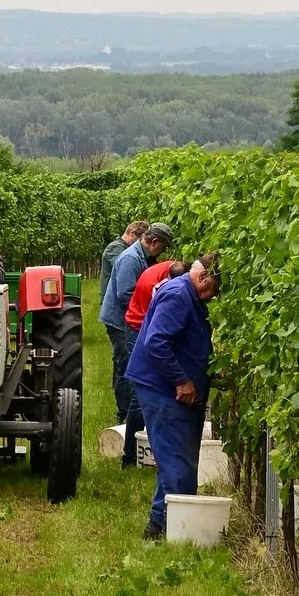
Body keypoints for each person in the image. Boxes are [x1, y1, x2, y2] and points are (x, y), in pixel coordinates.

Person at [124, 253, 222, 540]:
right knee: (176, 462)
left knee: (177, 460)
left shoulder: (187, 294)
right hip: (162, 389)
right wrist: (182, 380)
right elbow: (156, 342)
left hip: (168, 389)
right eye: (215, 288)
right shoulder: (179, 295)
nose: (214, 296)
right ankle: (170, 531)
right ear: (204, 277)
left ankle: (163, 525)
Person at [99, 222, 173, 428]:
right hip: (119, 320)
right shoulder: (130, 259)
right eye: (163, 246)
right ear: (154, 242)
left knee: (128, 364)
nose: (163, 251)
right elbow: (126, 295)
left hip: (126, 318)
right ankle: (124, 416)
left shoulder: (141, 257)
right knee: (126, 366)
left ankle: (128, 414)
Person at [119, 258, 187, 466]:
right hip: (139, 329)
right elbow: (157, 335)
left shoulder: (171, 271)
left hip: (150, 331)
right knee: (140, 393)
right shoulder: (159, 290)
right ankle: (130, 454)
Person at [100, 221, 150, 309]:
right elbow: (125, 270)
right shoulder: (115, 248)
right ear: (132, 233)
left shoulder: (127, 249)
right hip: (115, 302)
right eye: (141, 239)